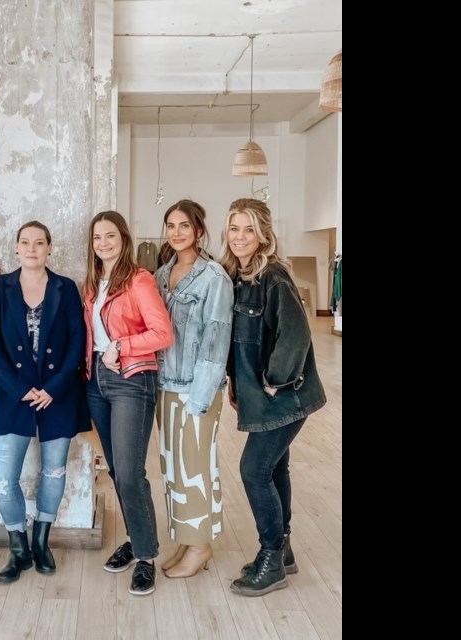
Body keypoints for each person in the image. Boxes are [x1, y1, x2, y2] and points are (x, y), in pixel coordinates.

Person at [221, 198, 326, 597]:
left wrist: (272, 381)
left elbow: (296, 337)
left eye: (249, 229)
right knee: (275, 467)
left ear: (264, 234)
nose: (240, 237)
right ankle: (284, 552)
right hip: (260, 396)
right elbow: (241, 344)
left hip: (286, 396)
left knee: (253, 470)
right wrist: (237, 382)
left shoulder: (274, 278)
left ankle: (271, 556)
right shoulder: (240, 278)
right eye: (234, 228)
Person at [0, 221, 91, 583]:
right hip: (14, 395)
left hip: (57, 395)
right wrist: (16, 388)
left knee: (54, 471)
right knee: (4, 480)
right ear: (16, 248)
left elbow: (78, 341)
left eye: (39, 243)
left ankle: (41, 541)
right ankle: (18, 550)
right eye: (25, 242)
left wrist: (55, 388)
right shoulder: (0, 287)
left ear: (49, 248)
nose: (32, 248)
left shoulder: (65, 287)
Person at [82, 211, 172, 596]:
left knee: (132, 473)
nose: (103, 243)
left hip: (132, 380)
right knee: (117, 470)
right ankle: (136, 539)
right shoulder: (91, 284)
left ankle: (147, 555)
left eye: (110, 236)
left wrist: (121, 345)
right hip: (96, 382)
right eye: (97, 237)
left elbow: (162, 332)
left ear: (124, 238)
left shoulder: (139, 279)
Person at [153, 200, 234, 579]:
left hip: (195, 390)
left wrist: (200, 400)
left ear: (199, 230)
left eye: (184, 225)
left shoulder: (214, 277)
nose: (176, 232)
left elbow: (216, 343)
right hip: (164, 386)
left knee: (196, 467)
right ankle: (188, 539)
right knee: (174, 468)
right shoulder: (162, 273)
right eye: (171, 225)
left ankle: (201, 546)